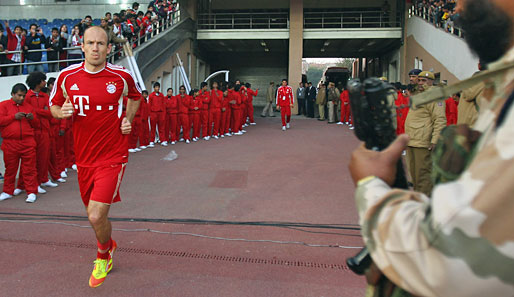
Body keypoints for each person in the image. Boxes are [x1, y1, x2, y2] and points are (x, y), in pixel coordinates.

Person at [348, 0, 514, 295]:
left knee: (423, 180)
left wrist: (371, 186)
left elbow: (448, 262)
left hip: (424, 142)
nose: (459, 7)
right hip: (414, 140)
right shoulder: (502, 85)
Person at [49, 26, 141, 288]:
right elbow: (53, 106)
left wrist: (128, 119)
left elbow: (135, 97)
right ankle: (109, 244)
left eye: (101, 43)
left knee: (95, 216)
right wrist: (61, 112)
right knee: (93, 214)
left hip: (113, 155)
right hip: (84, 159)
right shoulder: (67, 77)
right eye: (90, 43)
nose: (96, 48)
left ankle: (103, 256)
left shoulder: (120, 76)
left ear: (108, 48)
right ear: (82, 46)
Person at [404, 70, 446, 196]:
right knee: (414, 175)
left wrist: (435, 140)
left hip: (423, 142)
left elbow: (439, 119)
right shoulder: (418, 94)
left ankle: (425, 201)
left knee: (423, 175)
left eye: (425, 80)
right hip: (412, 139)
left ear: (432, 81)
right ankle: (418, 198)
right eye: (420, 80)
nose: (421, 83)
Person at [0, 84, 39, 203]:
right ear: (12, 94)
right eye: (19, 95)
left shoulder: (28, 106)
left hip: (27, 142)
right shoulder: (3, 105)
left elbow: (36, 125)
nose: (21, 98)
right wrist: (13, 117)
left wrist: (32, 118)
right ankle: (7, 191)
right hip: (10, 142)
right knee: (10, 169)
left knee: (30, 169)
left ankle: (31, 192)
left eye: (23, 96)